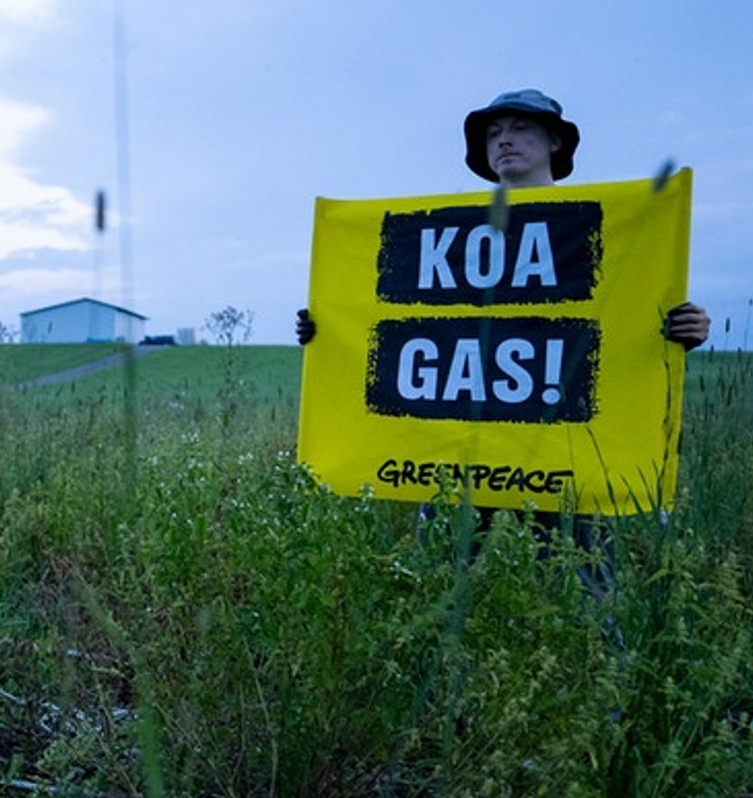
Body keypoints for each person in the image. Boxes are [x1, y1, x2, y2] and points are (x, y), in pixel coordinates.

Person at [296, 89, 710, 594]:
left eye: (519, 128)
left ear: (555, 139)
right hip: (462, 451)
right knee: (443, 581)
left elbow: (628, 314)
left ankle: (598, 670)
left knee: (583, 585)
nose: (504, 141)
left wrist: (682, 331)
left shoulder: (603, 223)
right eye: (493, 134)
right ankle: (447, 668)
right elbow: (389, 318)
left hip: (565, 452)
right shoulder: (450, 230)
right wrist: (326, 332)